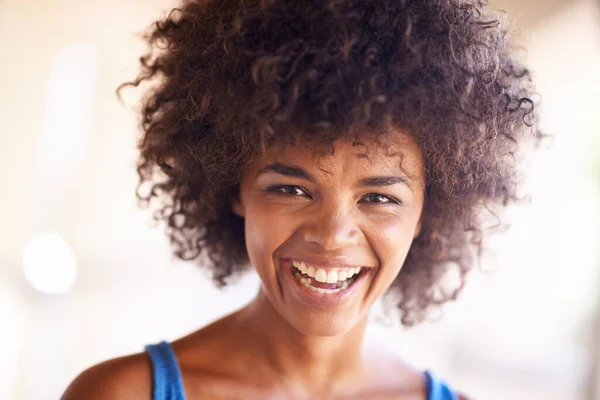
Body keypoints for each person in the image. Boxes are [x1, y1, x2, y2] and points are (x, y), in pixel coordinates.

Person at [62, 0, 542, 398]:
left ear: (425, 214)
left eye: (379, 197)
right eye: (291, 189)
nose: (332, 234)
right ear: (235, 188)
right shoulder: (120, 393)